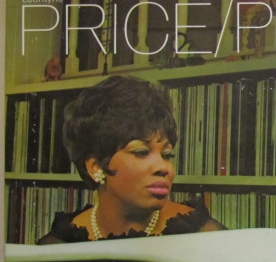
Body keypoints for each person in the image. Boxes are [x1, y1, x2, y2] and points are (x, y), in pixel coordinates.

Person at [37, 75, 225, 244]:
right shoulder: (60, 243)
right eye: (141, 152)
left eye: (167, 155)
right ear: (96, 167)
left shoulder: (203, 235)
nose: (163, 167)